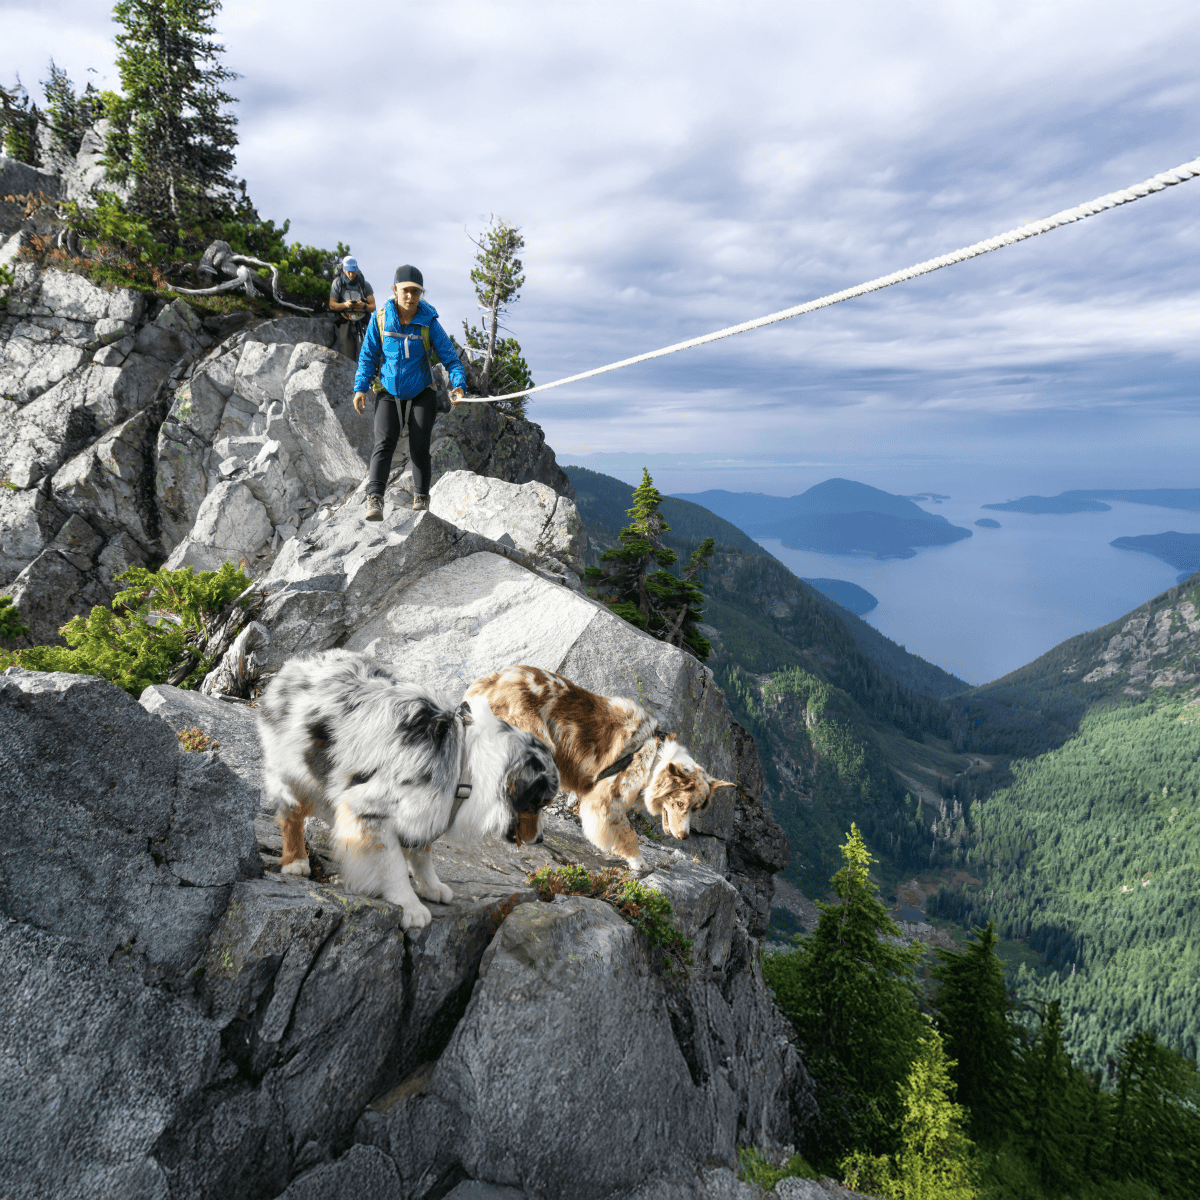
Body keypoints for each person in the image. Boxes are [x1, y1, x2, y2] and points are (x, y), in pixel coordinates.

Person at [354, 265, 467, 518]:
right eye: (405, 290)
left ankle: (421, 498)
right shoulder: (380, 319)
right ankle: (375, 499)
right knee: (384, 442)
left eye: (415, 291)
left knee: (419, 444)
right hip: (388, 389)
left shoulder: (429, 323)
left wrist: (458, 385)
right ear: (395, 289)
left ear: (420, 293)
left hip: (422, 390)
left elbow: (451, 358)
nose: (410, 296)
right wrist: (360, 388)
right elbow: (368, 356)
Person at [330, 256, 375, 361]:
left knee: (364, 356)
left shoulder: (364, 284)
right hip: (345, 323)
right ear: (344, 269)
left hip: (362, 323)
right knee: (347, 356)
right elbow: (332, 304)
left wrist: (363, 306)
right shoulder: (338, 283)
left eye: (353, 271)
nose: (351, 274)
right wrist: (345, 305)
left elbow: (373, 307)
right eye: (348, 271)